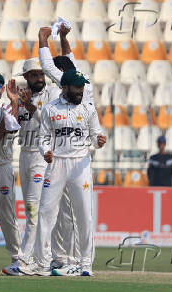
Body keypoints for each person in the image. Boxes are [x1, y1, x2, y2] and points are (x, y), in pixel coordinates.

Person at [35, 69, 106, 277]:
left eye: (82, 87)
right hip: (56, 164)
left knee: (84, 214)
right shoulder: (50, 108)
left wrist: (99, 142)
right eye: (76, 87)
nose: (80, 91)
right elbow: (43, 138)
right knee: (45, 213)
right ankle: (43, 262)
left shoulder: (88, 108)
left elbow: (95, 136)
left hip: (80, 165)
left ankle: (85, 264)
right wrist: (45, 151)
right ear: (64, 87)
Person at [38, 25, 96, 270]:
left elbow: (51, 66)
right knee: (62, 213)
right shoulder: (76, 83)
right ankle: (63, 259)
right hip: (62, 154)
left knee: (73, 214)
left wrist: (42, 39)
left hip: (76, 154)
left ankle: (72, 260)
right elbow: (66, 63)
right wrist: (63, 37)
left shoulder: (71, 86)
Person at [15, 58, 59, 268]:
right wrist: (15, 102)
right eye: (34, 75)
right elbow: (13, 126)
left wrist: (30, 107)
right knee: (32, 209)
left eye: (41, 74)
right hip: (24, 155)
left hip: (43, 156)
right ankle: (43, 258)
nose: (40, 78)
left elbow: (50, 124)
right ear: (26, 77)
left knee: (33, 209)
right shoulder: (21, 96)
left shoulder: (52, 94)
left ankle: (24, 258)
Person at [0, 72, 24, 275]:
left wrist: (14, 103)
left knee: (7, 215)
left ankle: (19, 259)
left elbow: (1, 135)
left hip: (1, 167)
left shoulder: (4, 110)